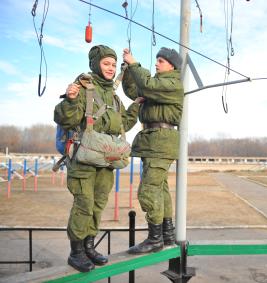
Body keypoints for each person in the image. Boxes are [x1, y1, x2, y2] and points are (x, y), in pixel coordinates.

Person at [54, 45, 141, 272]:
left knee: (98, 204)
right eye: (106, 63)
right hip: (83, 159)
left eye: (113, 64)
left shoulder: (113, 96)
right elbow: (65, 118)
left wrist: (136, 106)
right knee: (84, 204)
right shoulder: (83, 87)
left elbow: (123, 125)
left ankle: (89, 246)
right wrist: (71, 100)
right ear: (95, 64)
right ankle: (76, 252)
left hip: (105, 160)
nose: (111, 68)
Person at [121, 47, 184, 254]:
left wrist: (134, 64)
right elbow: (134, 91)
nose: (156, 64)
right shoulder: (156, 86)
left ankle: (154, 239)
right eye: (156, 60)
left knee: (148, 190)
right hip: (153, 142)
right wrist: (129, 71)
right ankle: (166, 233)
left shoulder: (171, 84)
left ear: (172, 66)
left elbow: (146, 84)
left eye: (160, 61)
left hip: (161, 142)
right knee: (160, 189)